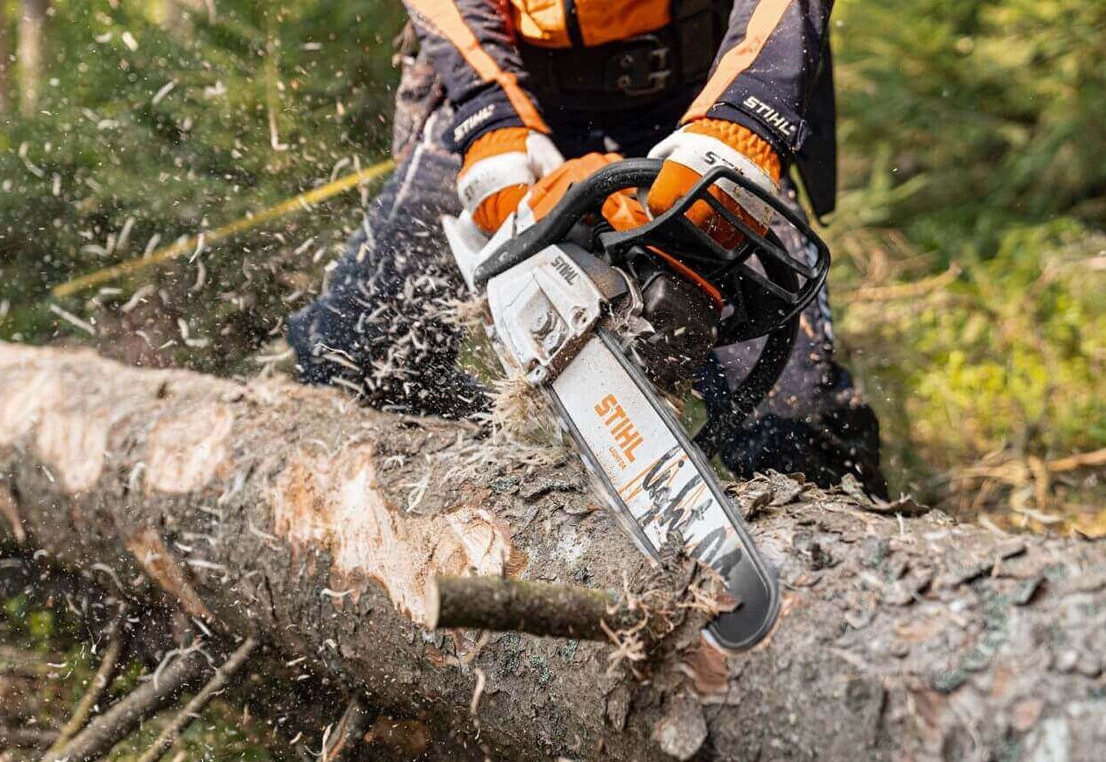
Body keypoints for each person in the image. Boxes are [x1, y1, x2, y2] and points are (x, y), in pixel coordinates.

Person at [288, 0, 886, 495]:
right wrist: (490, 120)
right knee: (355, 354)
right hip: (505, 80)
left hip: (703, 87)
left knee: (793, 422)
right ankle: (499, 504)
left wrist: (743, 123)